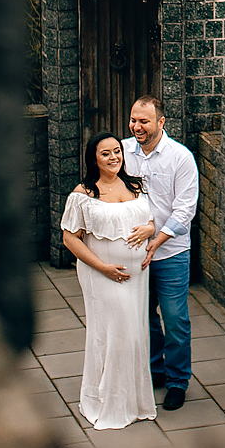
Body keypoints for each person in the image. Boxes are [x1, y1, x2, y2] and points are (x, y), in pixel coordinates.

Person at [60, 133, 157, 430]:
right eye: (106, 153)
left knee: (135, 335)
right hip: (101, 275)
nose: (114, 157)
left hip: (137, 275)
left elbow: (150, 220)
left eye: (117, 151)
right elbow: (69, 238)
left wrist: (149, 230)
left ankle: (134, 402)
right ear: (94, 159)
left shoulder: (136, 186)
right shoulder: (83, 194)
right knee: (116, 335)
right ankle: (109, 404)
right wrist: (103, 267)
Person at [123, 95, 200, 412]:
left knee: (175, 319)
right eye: (133, 120)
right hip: (134, 254)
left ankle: (178, 382)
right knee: (144, 316)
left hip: (171, 254)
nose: (136, 126)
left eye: (144, 121)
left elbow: (185, 211)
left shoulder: (181, 158)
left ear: (161, 122)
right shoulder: (123, 152)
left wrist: (157, 239)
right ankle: (155, 370)